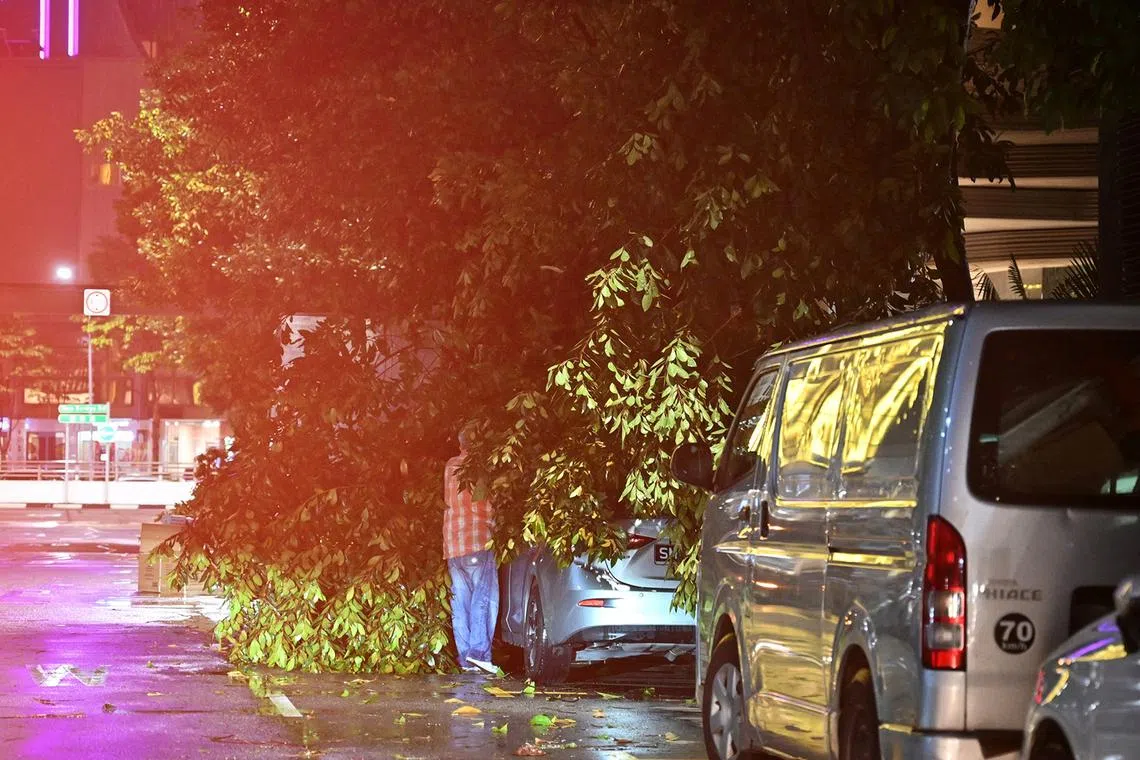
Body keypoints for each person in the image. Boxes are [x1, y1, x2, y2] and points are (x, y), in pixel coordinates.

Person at [443, 428, 498, 674]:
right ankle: (479, 653)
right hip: (478, 540)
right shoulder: (481, 467)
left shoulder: (450, 466)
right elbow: (485, 502)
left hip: (453, 544)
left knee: (460, 602)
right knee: (482, 598)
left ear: (460, 444)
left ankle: (465, 658)